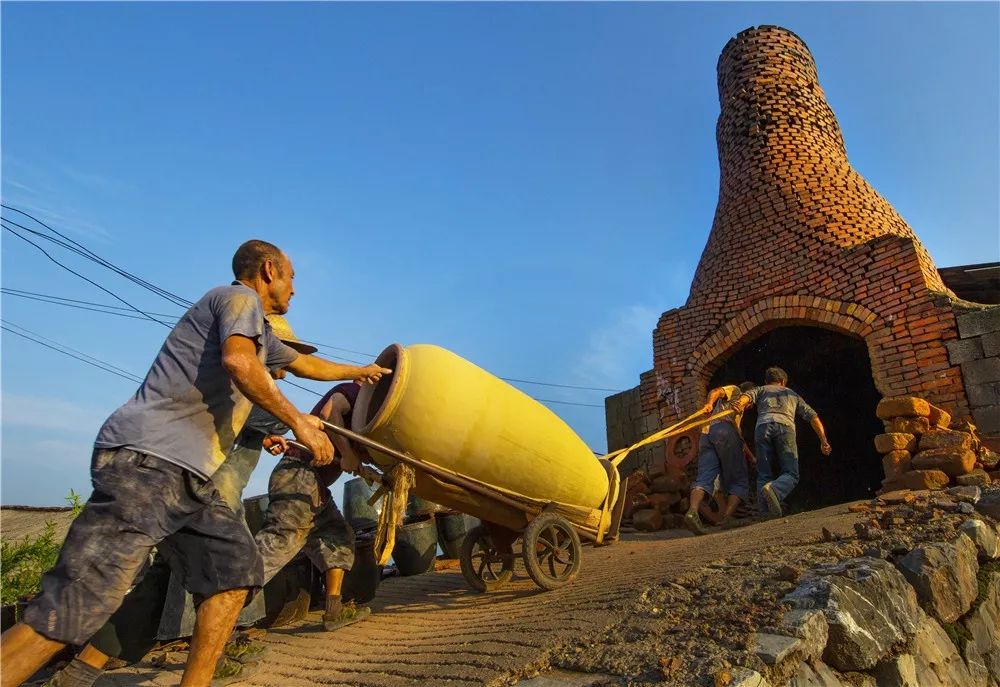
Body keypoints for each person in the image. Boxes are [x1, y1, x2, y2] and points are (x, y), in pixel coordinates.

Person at [0, 239, 390, 687]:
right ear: (268, 270)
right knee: (75, 604)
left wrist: (359, 372)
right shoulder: (237, 299)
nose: (294, 289)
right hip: (148, 465)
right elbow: (239, 364)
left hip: (189, 481)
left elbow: (304, 364)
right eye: (292, 277)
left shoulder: (261, 336)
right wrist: (300, 423)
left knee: (234, 574)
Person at [257, 381, 370, 632]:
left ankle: (333, 610)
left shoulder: (365, 417)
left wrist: (357, 461)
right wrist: (347, 453)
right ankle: (222, 622)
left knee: (338, 537)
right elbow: (329, 413)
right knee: (273, 549)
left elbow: (349, 456)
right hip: (298, 475)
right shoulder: (353, 392)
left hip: (314, 484)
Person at [731, 366, 831, 517]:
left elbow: (747, 396)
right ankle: (775, 490)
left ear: (766, 381)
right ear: (783, 381)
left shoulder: (761, 389)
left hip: (762, 427)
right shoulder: (791, 393)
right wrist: (823, 440)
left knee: (763, 473)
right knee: (791, 473)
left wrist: (739, 403)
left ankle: (765, 514)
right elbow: (813, 417)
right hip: (785, 428)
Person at [684, 381, 755, 535]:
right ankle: (727, 518)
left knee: (704, 478)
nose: (750, 405)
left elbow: (740, 439)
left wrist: (751, 457)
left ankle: (692, 511)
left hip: (707, 434)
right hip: (724, 431)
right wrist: (709, 403)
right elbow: (717, 391)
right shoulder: (736, 391)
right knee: (739, 479)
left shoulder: (734, 412)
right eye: (752, 401)